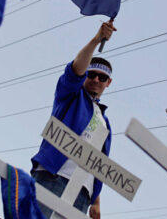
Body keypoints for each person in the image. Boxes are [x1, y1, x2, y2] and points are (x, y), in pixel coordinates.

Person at [31, 20, 117, 219]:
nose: (96, 80)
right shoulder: (70, 95)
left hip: (82, 194)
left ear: (108, 83)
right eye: (92, 74)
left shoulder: (105, 122)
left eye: (102, 78)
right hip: (53, 176)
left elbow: (99, 161)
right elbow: (74, 71)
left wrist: (95, 201)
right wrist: (97, 40)